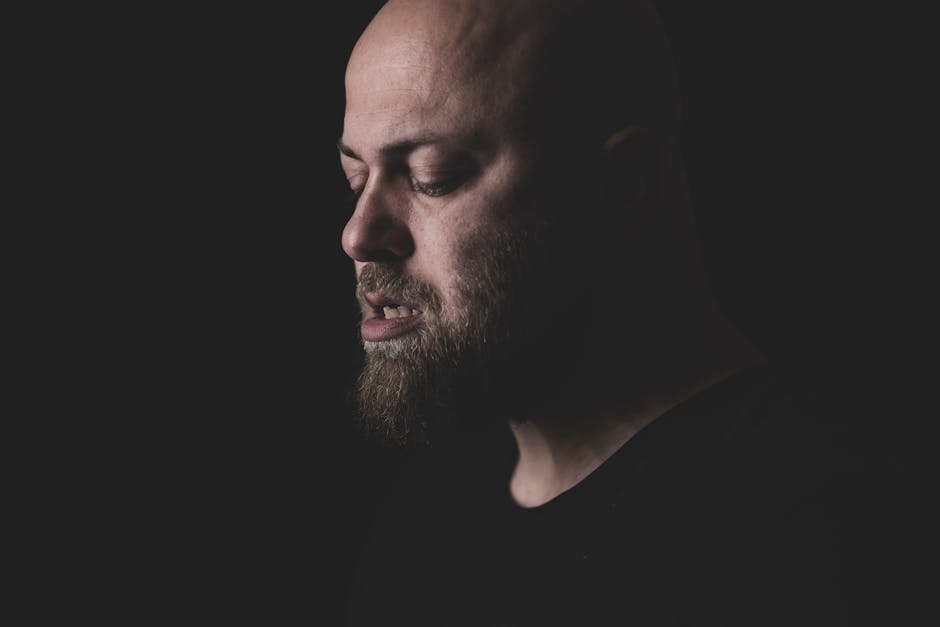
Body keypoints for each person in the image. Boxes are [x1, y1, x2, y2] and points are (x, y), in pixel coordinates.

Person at [337, 1, 861, 624]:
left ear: (623, 183)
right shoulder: (425, 514)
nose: (358, 235)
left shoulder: (821, 530)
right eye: (354, 177)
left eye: (432, 177)